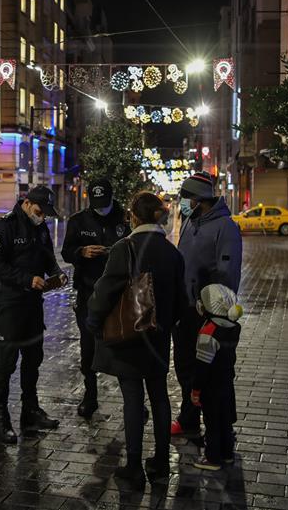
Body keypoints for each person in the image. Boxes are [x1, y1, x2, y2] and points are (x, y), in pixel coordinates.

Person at [86, 192, 186, 488]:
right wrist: (166, 324)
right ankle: (161, 461)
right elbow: (182, 301)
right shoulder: (173, 253)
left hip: (130, 337)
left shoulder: (124, 248)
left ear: (133, 216)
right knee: (159, 397)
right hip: (158, 339)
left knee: (133, 398)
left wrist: (93, 322)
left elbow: (105, 292)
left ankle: (133, 466)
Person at [0, 186, 67, 444]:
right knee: (6, 364)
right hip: (9, 305)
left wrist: (56, 272)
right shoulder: (4, 227)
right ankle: (1, 416)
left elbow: (47, 257)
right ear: (27, 203)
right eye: (40, 211)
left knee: (33, 359)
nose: (42, 217)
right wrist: (26, 279)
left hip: (33, 305)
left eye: (45, 214)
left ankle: (30, 409)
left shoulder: (40, 227)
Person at [172, 172, 242, 438]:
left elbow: (228, 272)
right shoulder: (191, 220)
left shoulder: (226, 227)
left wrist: (216, 311)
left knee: (217, 372)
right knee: (185, 366)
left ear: (199, 199)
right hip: (185, 310)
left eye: (185, 198)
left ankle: (224, 425)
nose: (182, 203)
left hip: (209, 313)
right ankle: (189, 419)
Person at [61, 178, 130, 418]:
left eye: (105, 202)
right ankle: (90, 396)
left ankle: (132, 401)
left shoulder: (125, 219)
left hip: (119, 294)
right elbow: (66, 252)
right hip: (88, 292)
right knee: (88, 347)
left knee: (124, 346)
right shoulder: (79, 221)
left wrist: (116, 253)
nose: (101, 207)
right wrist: (82, 252)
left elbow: (137, 249)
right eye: (96, 203)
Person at [190, 284, 243, 471]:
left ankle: (212, 458)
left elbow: (202, 367)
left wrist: (196, 390)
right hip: (227, 381)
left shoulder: (208, 332)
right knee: (225, 419)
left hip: (211, 386)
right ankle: (227, 454)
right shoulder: (234, 327)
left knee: (212, 421)